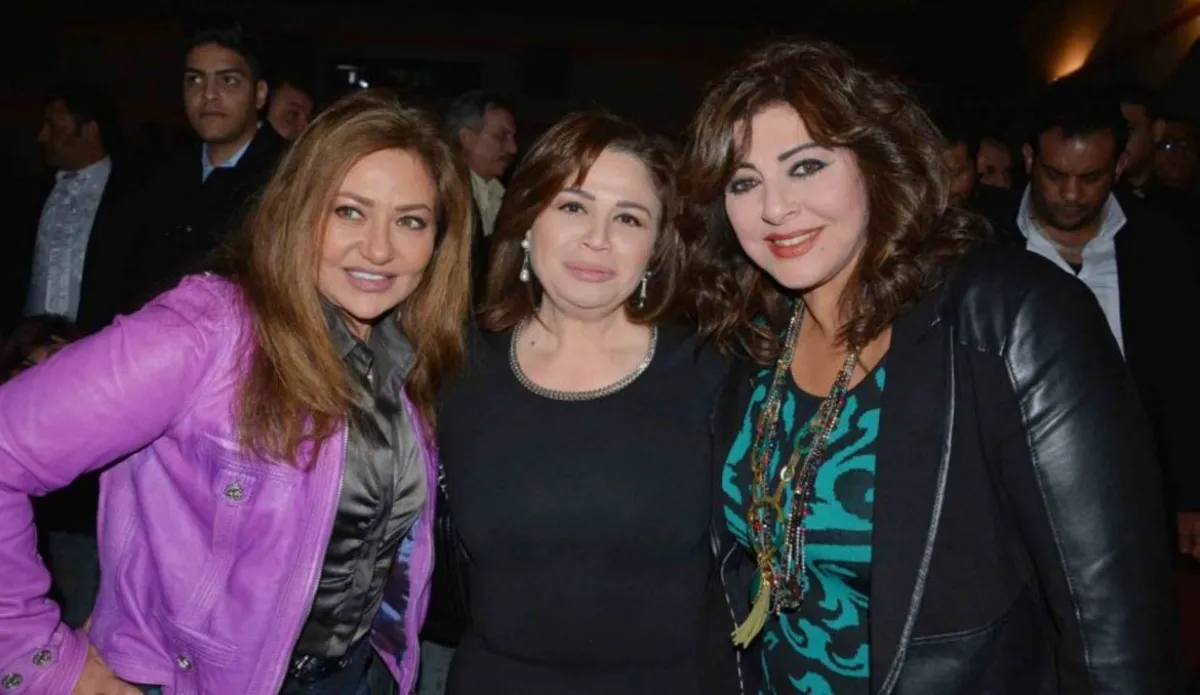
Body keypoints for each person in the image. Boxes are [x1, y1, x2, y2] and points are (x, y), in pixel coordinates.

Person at [679, 38, 1177, 694]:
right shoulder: (752, 341)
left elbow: (1114, 632)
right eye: (744, 181)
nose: (775, 207)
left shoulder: (1010, 318)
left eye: (806, 166)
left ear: (876, 163)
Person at [0, 89, 473, 695]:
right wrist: (45, 663)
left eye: (411, 220)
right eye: (348, 211)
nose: (379, 249)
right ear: (298, 210)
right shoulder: (205, 333)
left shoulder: (407, 354)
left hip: (359, 676)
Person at [435, 112, 740, 694]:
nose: (598, 239)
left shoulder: (714, 374)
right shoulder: (455, 368)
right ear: (527, 221)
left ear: (655, 248)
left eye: (628, 218)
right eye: (573, 207)